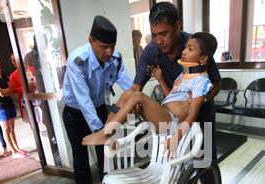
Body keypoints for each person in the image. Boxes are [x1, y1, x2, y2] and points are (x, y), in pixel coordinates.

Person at [131, 2, 228, 184]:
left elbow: (217, 84)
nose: (158, 40)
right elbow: (137, 87)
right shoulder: (152, 52)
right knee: (171, 156)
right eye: (154, 34)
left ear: (178, 26)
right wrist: (136, 103)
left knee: (206, 159)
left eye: (163, 33)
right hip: (174, 114)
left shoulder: (196, 45)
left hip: (200, 111)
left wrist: (196, 102)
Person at [83, 32, 217, 155]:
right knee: (129, 93)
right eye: (185, 47)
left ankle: (105, 134)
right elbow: (170, 97)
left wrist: (177, 138)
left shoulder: (201, 81)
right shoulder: (185, 74)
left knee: (137, 96)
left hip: (172, 124)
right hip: (163, 115)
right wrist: (160, 79)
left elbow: (192, 116)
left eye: (190, 49)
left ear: (203, 57)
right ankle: (107, 133)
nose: (184, 51)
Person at [61, 15, 133, 184]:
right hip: (75, 114)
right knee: (81, 159)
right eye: (103, 46)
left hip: (100, 109)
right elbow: (83, 100)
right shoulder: (77, 61)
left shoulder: (114, 58)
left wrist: (140, 100)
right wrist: (100, 131)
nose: (108, 52)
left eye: (112, 46)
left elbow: (128, 84)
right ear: (91, 40)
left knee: (107, 154)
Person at [0, 50, 29, 159]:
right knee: (6, 129)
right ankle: (13, 151)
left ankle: (17, 148)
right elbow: (0, 92)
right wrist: (5, 91)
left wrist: (5, 91)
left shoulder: (3, 75)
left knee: (12, 129)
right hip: (0, 106)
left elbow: (11, 90)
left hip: (9, 104)